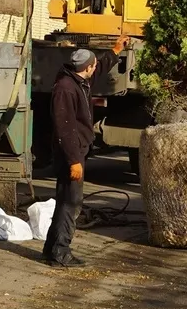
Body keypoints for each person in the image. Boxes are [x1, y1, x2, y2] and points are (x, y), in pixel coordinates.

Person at [43, 35, 129, 268]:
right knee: (72, 202)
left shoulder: (78, 79)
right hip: (70, 153)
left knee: (65, 200)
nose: (95, 69)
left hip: (76, 150)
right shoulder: (66, 89)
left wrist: (116, 49)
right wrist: (74, 161)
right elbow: (65, 128)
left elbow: (99, 68)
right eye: (92, 66)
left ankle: (51, 249)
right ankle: (61, 252)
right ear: (85, 67)